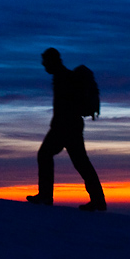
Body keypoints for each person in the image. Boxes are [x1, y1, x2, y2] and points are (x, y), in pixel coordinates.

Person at [27, 47, 107, 211]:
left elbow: (66, 105)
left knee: (46, 155)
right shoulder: (63, 76)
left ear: (52, 60)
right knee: (81, 162)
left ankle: (46, 196)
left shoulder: (63, 77)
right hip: (70, 126)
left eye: (45, 62)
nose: (44, 66)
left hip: (65, 127)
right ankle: (98, 200)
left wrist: (59, 124)